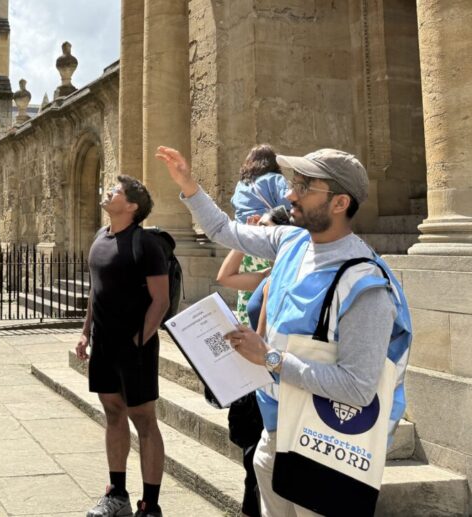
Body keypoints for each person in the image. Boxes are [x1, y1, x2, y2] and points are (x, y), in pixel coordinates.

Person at [157, 146, 410, 517]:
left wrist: (269, 358)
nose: (290, 194)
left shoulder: (366, 285)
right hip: (275, 435)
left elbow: (357, 387)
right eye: (295, 183)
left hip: (324, 446)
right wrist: (189, 185)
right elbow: (223, 230)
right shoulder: (290, 241)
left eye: (305, 187)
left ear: (340, 203)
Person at [75, 175, 170, 517]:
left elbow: (160, 300)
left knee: (144, 419)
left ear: (131, 206)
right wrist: (86, 333)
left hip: (136, 347)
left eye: (116, 191)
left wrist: (139, 341)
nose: (108, 192)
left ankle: (151, 504)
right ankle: (117, 494)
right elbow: (95, 291)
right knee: (113, 413)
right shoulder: (101, 237)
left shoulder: (146, 244)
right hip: (104, 345)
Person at [213, 208, 289, 517]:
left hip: (268, 372)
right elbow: (224, 277)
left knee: (258, 459)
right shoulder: (267, 274)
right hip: (256, 372)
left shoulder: (284, 276)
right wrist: (245, 239)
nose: (261, 233)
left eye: (268, 229)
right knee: (251, 458)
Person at [230, 145, 291, 326]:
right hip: (268, 239)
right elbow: (287, 206)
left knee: (246, 288)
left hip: (245, 243)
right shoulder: (276, 179)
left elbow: (236, 208)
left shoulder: (241, 185)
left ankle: (246, 325)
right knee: (270, 285)